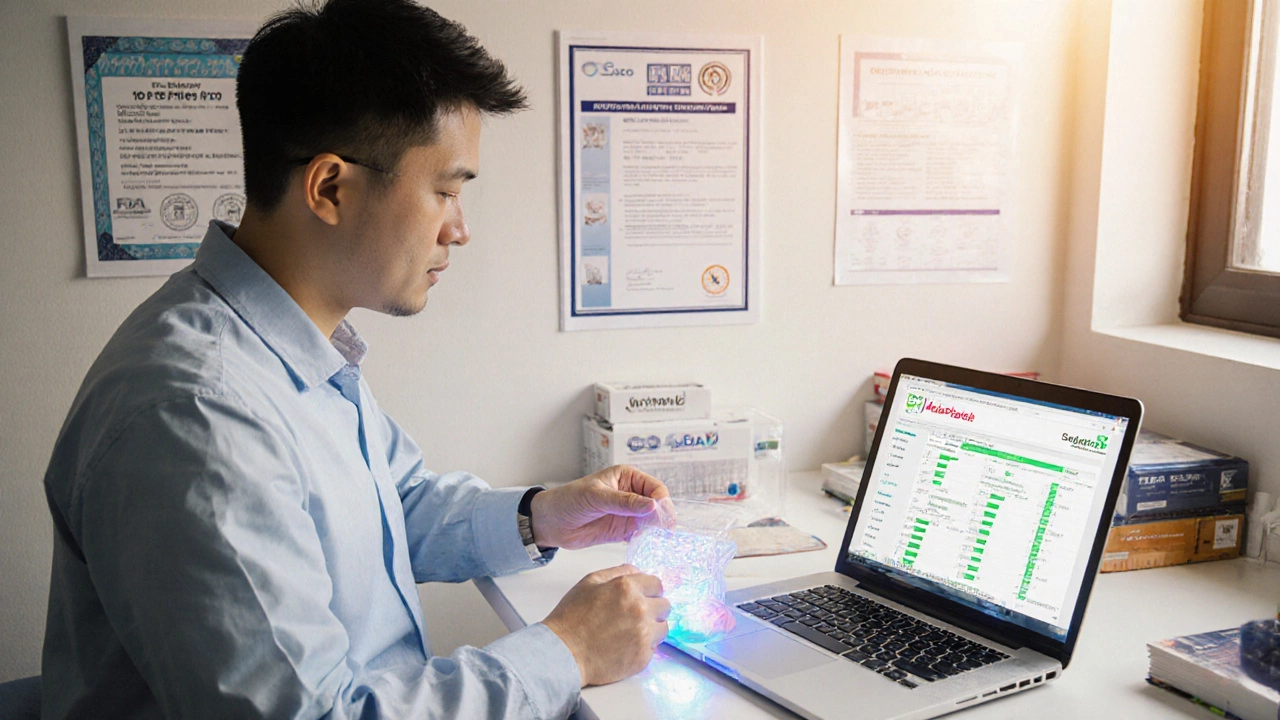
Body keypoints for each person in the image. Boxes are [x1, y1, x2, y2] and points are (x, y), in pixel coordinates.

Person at [40, 1, 672, 717]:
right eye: (445, 192)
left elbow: (391, 506)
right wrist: (569, 649)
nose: (460, 230)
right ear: (330, 188)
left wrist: (542, 516)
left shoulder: (292, 349)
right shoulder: (199, 414)